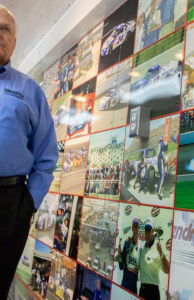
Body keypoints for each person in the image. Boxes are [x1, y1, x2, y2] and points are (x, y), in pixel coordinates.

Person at [0, 5, 58, 297]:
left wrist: (28, 204)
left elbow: (47, 157)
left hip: (11, 204)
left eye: (5, 28)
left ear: (14, 42)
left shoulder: (31, 91)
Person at [137, 217, 169, 300]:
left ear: (152, 231)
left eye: (149, 230)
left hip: (153, 292)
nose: (147, 232)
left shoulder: (158, 248)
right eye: (146, 229)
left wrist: (161, 253)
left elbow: (167, 270)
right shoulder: (141, 247)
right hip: (142, 290)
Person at [118, 217, 141, 294]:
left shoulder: (141, 247)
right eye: (134, 227)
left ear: (139, 228)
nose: (135, 229)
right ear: (132, 228)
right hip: (125, 283)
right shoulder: (127, 243)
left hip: (133, 286)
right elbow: (121, 267)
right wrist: (119, 255)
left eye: (136, 227)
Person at [157, 136, 168, 200]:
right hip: (160, 161)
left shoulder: (159, 146)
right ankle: (159, 193)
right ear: (162, 140)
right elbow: (166, 146)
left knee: (161, 176)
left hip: (159, 161)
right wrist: (166, 141)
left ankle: (157, 190)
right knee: (162, 177)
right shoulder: (161, 144)